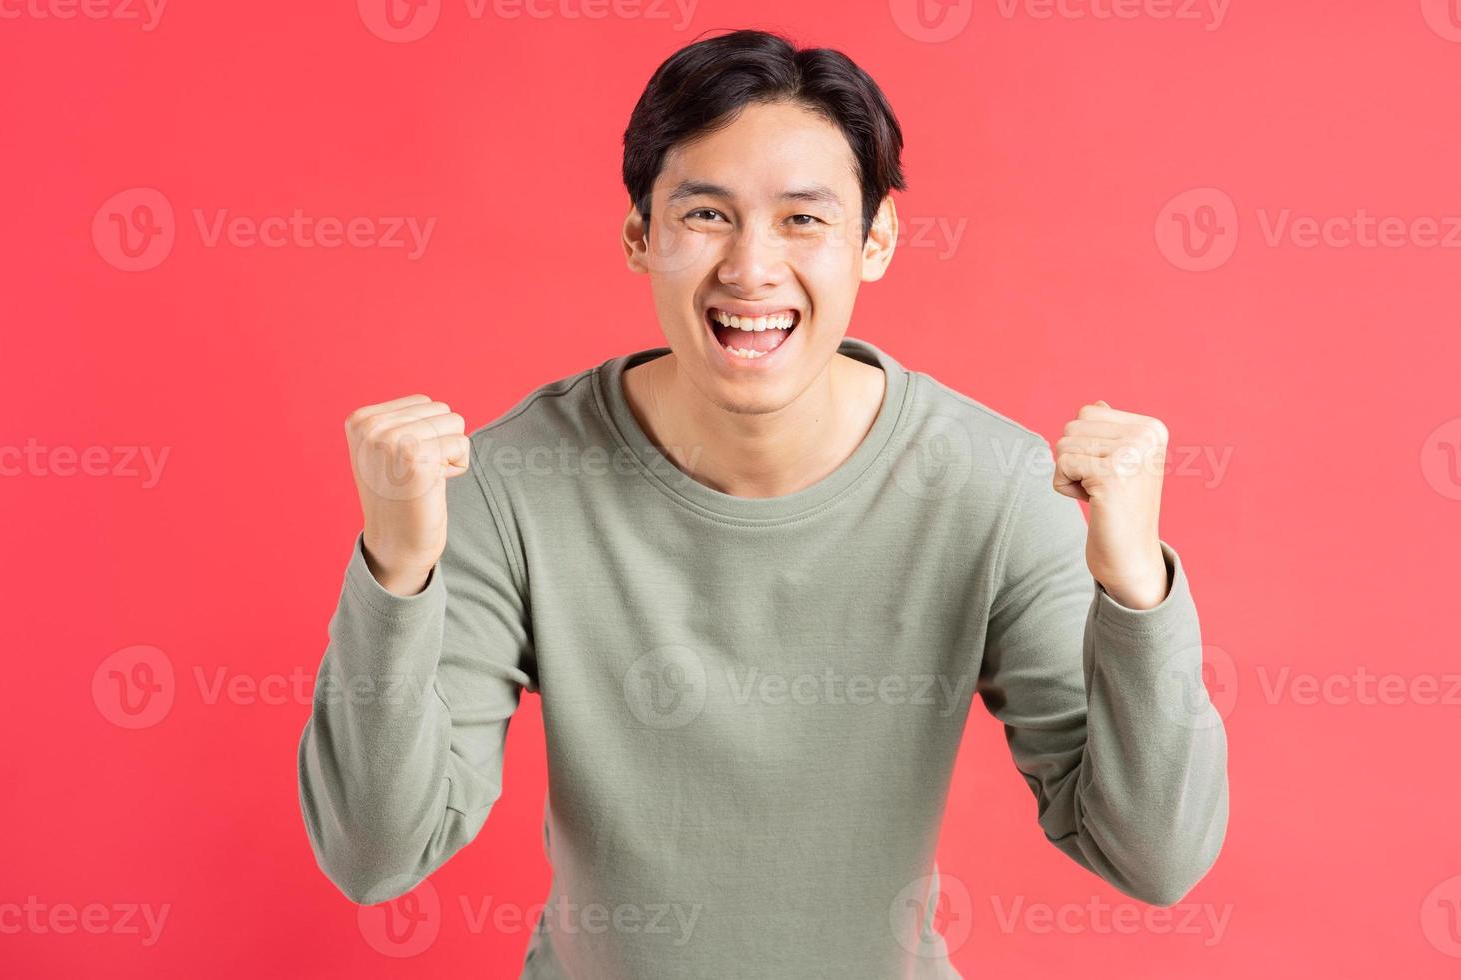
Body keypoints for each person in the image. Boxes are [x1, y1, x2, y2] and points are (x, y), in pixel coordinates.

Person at [297, 27, 1228, 979]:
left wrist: (1136, 589)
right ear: (639, 236)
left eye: (803, 219)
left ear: (877, 240)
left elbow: (1152, 857)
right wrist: (394, 572)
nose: (750, 268)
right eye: (706, 216)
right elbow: (375, 856)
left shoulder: (991, 488)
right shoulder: (511, 483)